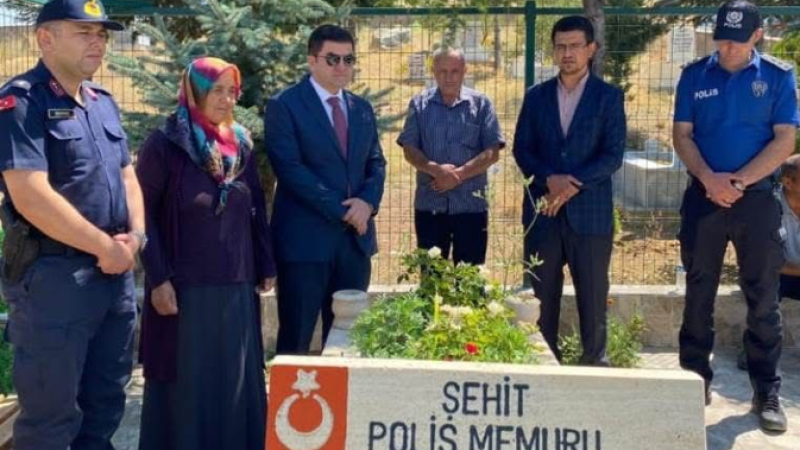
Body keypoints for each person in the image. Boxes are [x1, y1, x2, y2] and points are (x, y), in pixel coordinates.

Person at [0, 1, 142, 449]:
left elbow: (128, 176)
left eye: (101, 34)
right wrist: (105, 246)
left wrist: (135, 238)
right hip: (55, 282)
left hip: (113, 278)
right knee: (50, 421)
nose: (98, 42)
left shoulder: (102, 102)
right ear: (46, 38)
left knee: (104, 409)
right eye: (84, 33)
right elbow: (30, 194)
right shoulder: (22, 102)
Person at [136, 57, 276, 450]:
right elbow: (142, 214)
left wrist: (265, 262)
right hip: (184, 290)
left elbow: (254, 205)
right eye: (217, 90)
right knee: (189, 384)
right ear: (195, 91)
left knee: (233, 379)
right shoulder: (165, 143)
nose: (227, 99)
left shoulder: (240, 143)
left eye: (232, 91)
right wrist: (158, 278)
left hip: (236, 284)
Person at [673, 0, 798, 433]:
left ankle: (766, 392)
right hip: (704, 197)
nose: (727, 48)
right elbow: (682, 135)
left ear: (757, 36)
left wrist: (739, 182)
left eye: (737, 41)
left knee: (763, 298)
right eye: (722, 39)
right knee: (698, 292)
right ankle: (693, 381)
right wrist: (710, 179)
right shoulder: (694, 75)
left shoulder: (778, 77)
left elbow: (784, 140)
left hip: (756, 201)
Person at [265, 24, 386, 354]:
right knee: (296, 339)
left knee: (349, 340)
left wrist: (366, 203)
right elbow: (290, 170)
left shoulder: (361, 108)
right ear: (312, 60)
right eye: (332, 59)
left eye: (349, 59)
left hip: (354, 244)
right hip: (305, 244)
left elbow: (376, 162)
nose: (342, 67)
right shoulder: (285, 105)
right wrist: (345, 211)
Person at [512, 15, 625, 366]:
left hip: (589, 215)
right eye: (560, 46)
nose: (567, 53)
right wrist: (550, 179)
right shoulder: (536, 97)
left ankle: (594, 365)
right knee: (541, 296)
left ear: (591, 49)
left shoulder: (608, 97)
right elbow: (522, 149)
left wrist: (572, 183)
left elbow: (612, 155)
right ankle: (546, 364)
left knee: (593, 295)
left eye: (575, 45)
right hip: (543, 212)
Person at [397, 47, 505, 265]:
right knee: (432, 276)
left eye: (455, 71)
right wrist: (436, 170)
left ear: (465, 71)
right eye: (442, 71)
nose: (449, 77)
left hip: (471, 206)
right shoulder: (419, 104)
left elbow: (492, 151)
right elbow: (409, 148)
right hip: (430, 206)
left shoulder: (481, 104)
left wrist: (458, 175)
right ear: (434, 72)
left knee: (471, 277)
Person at [736, 155, 800, 371]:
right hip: (773, 272)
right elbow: (764, 259)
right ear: (788, 182)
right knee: (763, 288)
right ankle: (755, 350)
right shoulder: (766, 207)